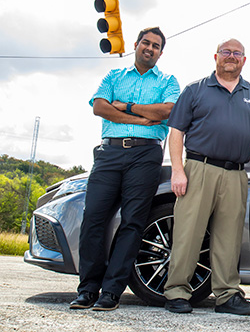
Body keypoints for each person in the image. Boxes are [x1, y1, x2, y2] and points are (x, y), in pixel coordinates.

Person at [163, 38, 250, 316]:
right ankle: (177, 291)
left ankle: (227, 295)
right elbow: (177, 132)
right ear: (216, 57)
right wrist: (178, 171)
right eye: (226, 52)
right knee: (188, 233)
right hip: (198, 169)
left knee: (228, 238)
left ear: (244, 60)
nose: (231, 56)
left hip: (237, 173)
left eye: (237, 53)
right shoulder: (195, 90)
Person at [69, 27, 180, 311]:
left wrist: (127, 106)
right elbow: (100, 107)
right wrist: (143, 116)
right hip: (109, 153)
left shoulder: (168, 81)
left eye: (156, 46)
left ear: (161, 52)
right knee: (94, 217)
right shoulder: (114, 76)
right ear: (136, 45)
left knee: (132, 222)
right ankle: (88, 289)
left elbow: (167, 112)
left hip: (146, 155)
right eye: (146, 43)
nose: (150, 48)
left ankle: (112, 292)